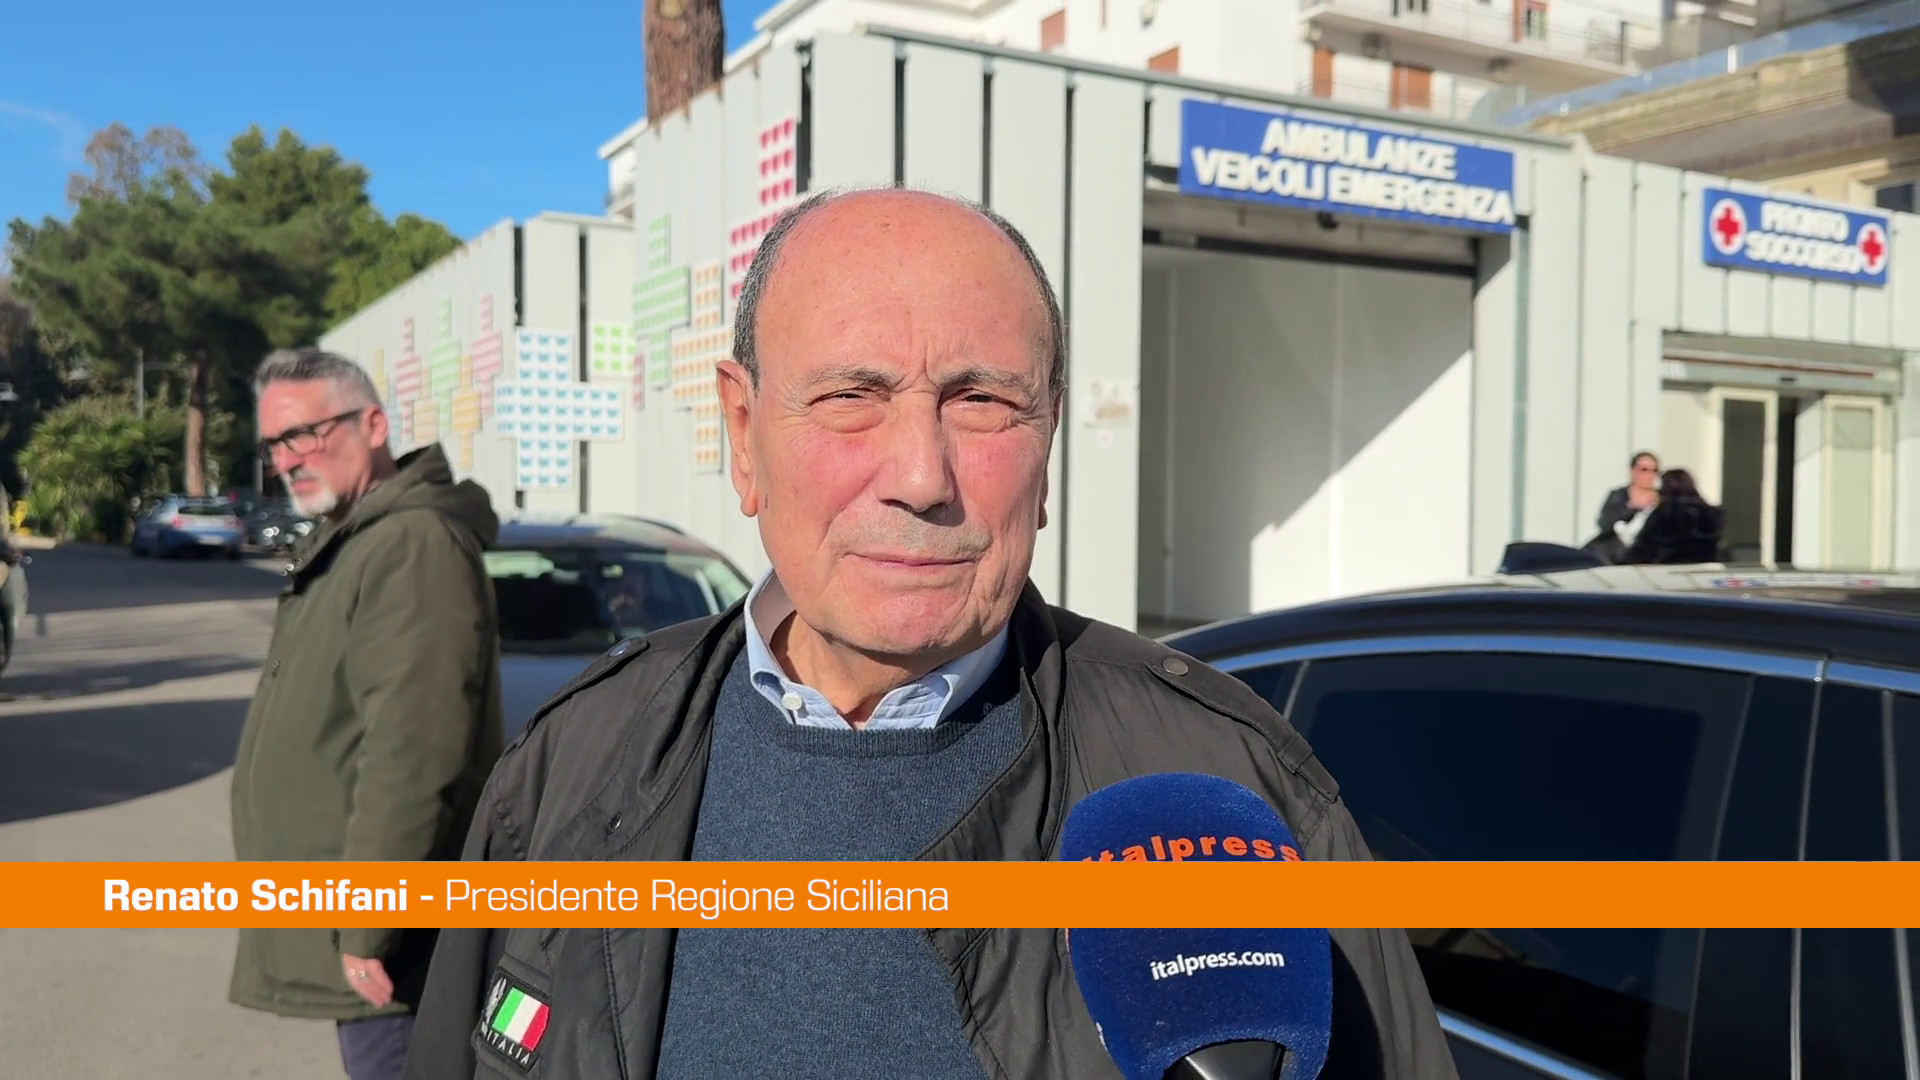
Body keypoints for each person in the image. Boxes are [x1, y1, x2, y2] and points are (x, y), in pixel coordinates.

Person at [402, 187, 1457, 1080]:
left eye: (983, 400)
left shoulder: (1237, 786)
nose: (919, 476)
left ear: (1048, 443)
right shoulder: (573, 758)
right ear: (743, 432)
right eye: (849, 396)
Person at [229, 347, 507, 1080]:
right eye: (274, 443)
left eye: (305, 433)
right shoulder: (358, 540)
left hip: (396, 950)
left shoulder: (410, 544)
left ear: (374, 426)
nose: (287, 459)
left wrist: (368, 925)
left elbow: (411, 754)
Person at [1622, 467, 1726, 565]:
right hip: (1706, 567)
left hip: (1666, 568)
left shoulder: (1663, 513)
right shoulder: (1713, 513)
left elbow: (1642, 547)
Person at [1583, 450, 1662, 563]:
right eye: (1644, 470)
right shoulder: (1618, 495)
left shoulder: (1662, 497)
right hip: (1615, 554)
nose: (1649, 475)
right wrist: (1632, 506)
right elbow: (1605, 523)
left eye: (1654, 470)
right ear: (1633, 470)